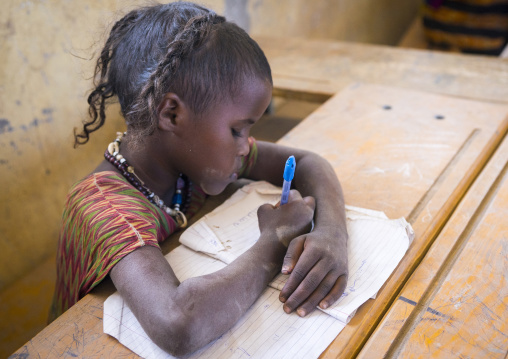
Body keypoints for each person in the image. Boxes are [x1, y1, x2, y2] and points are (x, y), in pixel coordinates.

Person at [50, 2, 348, 356]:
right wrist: (276, 239)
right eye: (237, 130)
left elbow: (307, 162)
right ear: (172, 114)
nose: (245, 146)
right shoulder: (103, 206)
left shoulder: (192, 157)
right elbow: (178, 323)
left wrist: (331, 234)